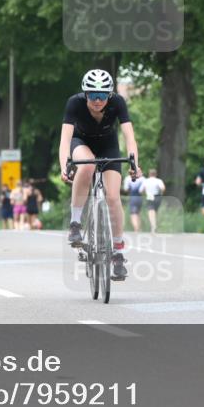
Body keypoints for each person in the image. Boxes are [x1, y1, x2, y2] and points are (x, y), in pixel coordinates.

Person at [59, 69, 139, 281]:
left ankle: (118, 252)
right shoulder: (74, 103)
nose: (97, 100)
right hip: (80, 142)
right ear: (85, 94)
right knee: (87, 166)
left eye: (102, 95)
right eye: (92, 95)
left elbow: (129, 137)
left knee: (113, 197)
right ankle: (75, 223)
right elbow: (65, 140)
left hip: (108, 145)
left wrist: (134, 164)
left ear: (109, 95)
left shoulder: (118, 102)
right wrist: (64, 166)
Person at [141, 169, 165, 233]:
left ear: (149, 174)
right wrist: (161, 193)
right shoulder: (159, 180)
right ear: (156, 174)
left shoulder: (146, 181)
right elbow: (163, 188)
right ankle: (154, 225)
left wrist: (145, 193)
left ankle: (153, 225)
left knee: (151, 211)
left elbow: (141, 190)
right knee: (155, 211)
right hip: (157, 196)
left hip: (150, 196)